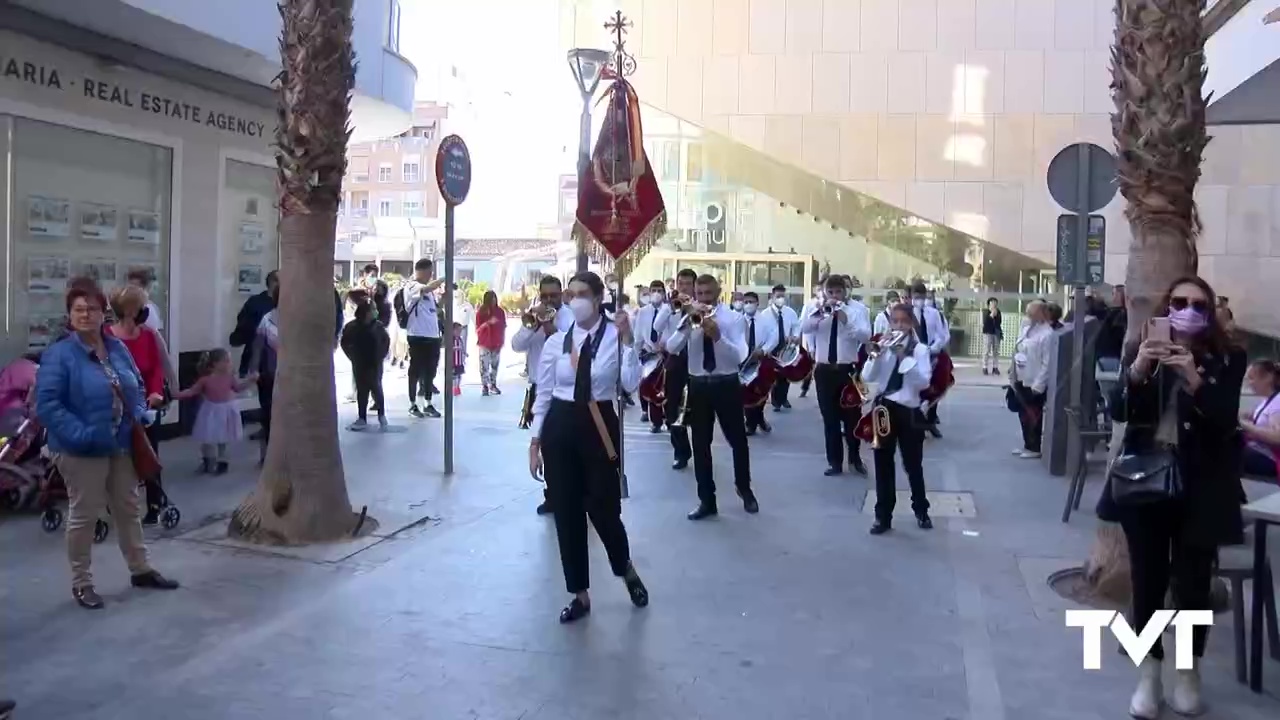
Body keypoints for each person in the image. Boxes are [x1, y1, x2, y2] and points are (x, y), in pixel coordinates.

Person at [1097, 275, 1245, 719]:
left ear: (1209, 313)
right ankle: (1149, 677)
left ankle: (1188, 674)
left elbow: (1223, 421)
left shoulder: (1228, 358)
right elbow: (1120, 412)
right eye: (1179, 302)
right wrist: (1141, 369)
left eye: (1199, 305)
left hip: (1201, 487)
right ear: (1166, 306)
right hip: (1145, 484)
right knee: (1148, 582)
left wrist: (1193, 377)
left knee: (1193, 586)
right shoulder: (1143, 348)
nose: (1188, 311)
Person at [35, 279, 178, 609]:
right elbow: (48, 406)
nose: (85, 315)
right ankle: (82, 582)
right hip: (80, 449)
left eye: (92, 309)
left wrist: (141, 413)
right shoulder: (60, 354)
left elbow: (136, 385)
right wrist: (84, 436)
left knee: (128, 508)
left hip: (121, 442)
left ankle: (140, 569)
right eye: (78, 310)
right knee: (84, 515)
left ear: (104, 313)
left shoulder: (116, 347)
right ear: (70, 315)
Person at [529, 271, 648, 623]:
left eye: (582, 293)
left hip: (599, 424)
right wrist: (536, 440)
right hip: (561, 427)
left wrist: (629, 343)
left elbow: (629, 384)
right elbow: (545, 394)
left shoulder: (615, 335)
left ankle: (623, 566)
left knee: (604, 509)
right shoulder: (557, 341)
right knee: (566, 513)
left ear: (598, 299)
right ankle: (579, 593)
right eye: (572, 294)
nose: (575, 300)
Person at [666, 274, 757, 520]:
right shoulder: (689, 316)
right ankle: (707, 500)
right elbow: (672, 348)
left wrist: (718, 336)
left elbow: (739, 355)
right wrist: (686, 325)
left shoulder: (734, 318)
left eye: (709, 293)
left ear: (718, 292)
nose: (704, 298)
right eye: (700, 294)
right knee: (700, 444)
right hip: (698, 385)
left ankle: (744, 488)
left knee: (737, 440)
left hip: (725, 383)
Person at [863, 303, 934, 535]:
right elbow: (867, 376)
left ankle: (921, 510)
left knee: (912, 464)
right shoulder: (883, 345)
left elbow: (923, 382)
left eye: (904, 321)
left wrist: (904, 358)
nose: (899, 326)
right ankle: (883, 515)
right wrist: (876, 355)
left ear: (911, 323)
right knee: (883, 463)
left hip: (909, 409)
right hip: (884, 408)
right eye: (895, 321)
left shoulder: (920, 349)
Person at [104, 285, 169, 525]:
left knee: (148, 453)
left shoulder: (148, 335)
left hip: (145, 405)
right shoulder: (106, 337)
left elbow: (155, 369)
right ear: (131, 310)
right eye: (142, 307)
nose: (146, 311)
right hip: (115, 406)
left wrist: (155, 393)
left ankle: (155, 504)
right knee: (116, 458)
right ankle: (116, 503)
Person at [512, 276, 575, 515]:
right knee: (546, 445)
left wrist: (553, 329)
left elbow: (574, 344)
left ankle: (572, 492)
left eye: (554, 296)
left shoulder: (569, 317)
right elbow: (516, 346)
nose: (549, 301)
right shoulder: (533, 317)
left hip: (566, 391)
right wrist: (534, 326)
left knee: (566, 445)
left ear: (561, 295)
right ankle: (552, 495)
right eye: (545, 296)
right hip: (541, 388)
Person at [803, 275, 872, 476]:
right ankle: (834, 462)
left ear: (845, 291)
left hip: (849, 369)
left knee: (853, 417)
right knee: (829, 418)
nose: (834, 296)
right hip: (824, 369)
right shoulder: (815, 307)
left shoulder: (858, 310)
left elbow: (865, 336)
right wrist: (819, 314)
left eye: (838, 292)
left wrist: (845, 319)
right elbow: (804, 329)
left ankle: (855, 458)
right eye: (830, 292)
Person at [171, 349, 256, 473]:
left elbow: (238, 388)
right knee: (208, 437)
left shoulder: (229, 377)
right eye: (226, 361)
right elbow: (192, 391)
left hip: (227, 410)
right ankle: (208, 460)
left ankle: (222, 461)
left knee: (224, 437)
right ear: (215, 363)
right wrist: (177, 395)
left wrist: (250, 381)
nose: (229, 364)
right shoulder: (206, 380)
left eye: (229, 361)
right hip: (211, 411)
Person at [655, 269, 697, 469]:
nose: (684, 287)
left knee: (697, 408)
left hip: (696, 361)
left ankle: (700, 449)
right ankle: (681, 451)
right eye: (681, 283)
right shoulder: (670, 306)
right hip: (675, 360)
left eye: (688, 284)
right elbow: (657, 326)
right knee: (671, 408)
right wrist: (669, 308)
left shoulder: (699, 307)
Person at [1009, 301, 1054, 459]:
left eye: (1031, 314)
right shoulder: (1027, 329)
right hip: (1021, 376)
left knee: (1033, 414)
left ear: (1040, 314)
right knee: (1023, 413)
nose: (1028, 317)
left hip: (1034, 380)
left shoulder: (1047, 334)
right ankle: (1027, 444)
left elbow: (1047, 363)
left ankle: (1034, 446)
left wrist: (1039, 384)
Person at [403, 258, 445, 418]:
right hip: (417, 335)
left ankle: (428, 403)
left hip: (432, 336)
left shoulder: (430, 293)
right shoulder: (412, 286)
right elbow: (426, 288)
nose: (430, 275)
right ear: (422, 271)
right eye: (429, 272)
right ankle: (412, 404)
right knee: (415, 371)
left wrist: (445, 297)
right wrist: (442, 279)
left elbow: (435, 309)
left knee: (430, 371)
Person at [341, 300, 390, 431]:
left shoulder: (378, 327)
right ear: (366, 312)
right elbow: (345, 343)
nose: (376, 312)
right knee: (361, 389)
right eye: (373, 309)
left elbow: (386, 343)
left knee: (376, 388)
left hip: (374, 363)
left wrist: (380, 356)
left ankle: (382, 415)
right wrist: (352, 356)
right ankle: (362, 417)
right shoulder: (352, 327)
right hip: (359, 363)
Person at [909, 283, 949, 438]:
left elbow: (942, 334)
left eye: (921, 296)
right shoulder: (908, 313)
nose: (918, 299)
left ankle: (931, 421)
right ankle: (917, 424)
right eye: (916, 296)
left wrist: (934, 347)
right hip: (914, 356)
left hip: (932, 355)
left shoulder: (934, 314)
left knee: (933, 389)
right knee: (916, 391)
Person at [741, 291, 779, 435]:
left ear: (757, 303)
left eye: (751, 302)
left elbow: (773, 337)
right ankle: (751, 423)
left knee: (761, 392)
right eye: (746, 302)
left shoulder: (765, 320)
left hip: (761, 361)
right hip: (744, 360)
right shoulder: (738, 319)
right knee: (746, 392)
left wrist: (763, 350)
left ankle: (759, 417)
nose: (748, 305)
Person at [249, 300, 280, 464]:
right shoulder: (267, 319)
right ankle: (267, 456)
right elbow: (258, 346)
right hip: (269, 375)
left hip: (290, 376)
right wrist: (254, 369)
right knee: (268, 416)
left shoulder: (298, 318)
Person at [1240, 359, 1280, 480]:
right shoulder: (1268, 401)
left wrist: (1244, 425)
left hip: (1271, 460)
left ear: (1268, 377)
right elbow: (1257, 417)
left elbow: (1277, 437)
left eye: (1252, 378)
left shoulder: (1278, 401)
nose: (1249, 384)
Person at [635, 279, 667, 426]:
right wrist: (637, 352)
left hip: (665, 354)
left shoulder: (668, 310)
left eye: (659, 291)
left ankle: (664, 417)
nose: (656, 294)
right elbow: (638, 334)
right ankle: (654, 420)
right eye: (653, 291)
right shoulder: (643, 312)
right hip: (648, 353)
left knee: (662, 388)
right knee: (647, 385)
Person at [765, 284, 800, 411]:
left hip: (786, 348)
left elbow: (796, 326)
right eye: (778, 296)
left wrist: (795, 336)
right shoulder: (765, 314)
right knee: (774, 376)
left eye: (783, 296)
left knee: (785, 375)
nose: (781, 299)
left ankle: (783, 398)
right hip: (772, 349)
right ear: (772, 297)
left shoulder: (790, 313)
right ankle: (776, 401)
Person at [475, 290, 507, 396]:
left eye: (495, 298)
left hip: (496, 342)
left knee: (495, 365)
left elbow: (503, 326)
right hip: (484, 342)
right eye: (491, 299)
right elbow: (478, 328)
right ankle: (484, 385)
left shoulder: (500, 312)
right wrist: (488, 323)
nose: (493, 301)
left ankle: (493, 384)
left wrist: (502, 341)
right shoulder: (481, 312)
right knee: (484, 365)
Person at [798, 283, 824, 398]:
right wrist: (811, 347)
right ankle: (805, 387)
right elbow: (803, 324)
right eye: (818, 289)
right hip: (811, 340)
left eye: (821, 289)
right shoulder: (809, 304)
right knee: (811, 365)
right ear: (814, 290)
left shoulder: (828, 303)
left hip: (824, 341)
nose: (820, 291)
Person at [126, 268, 165, 333]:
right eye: (129, 287)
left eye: (134, 288)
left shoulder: (149, 308)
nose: (130, 291)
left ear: (145, 288)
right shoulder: (126, 307)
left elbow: (154, 333)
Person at [981, 297, 1003, 376]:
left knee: (996, 351)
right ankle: (985, 367)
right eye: (992, 302)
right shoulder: (985, 312)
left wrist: (996, 315)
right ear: (989, 304)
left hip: (996, 333)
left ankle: (995, 367)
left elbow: (999, 322)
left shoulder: (998, 312)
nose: (994, 303)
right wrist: (991, 315)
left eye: (995, 302)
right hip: (987, 333)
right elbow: (985, 322)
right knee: (986, 350)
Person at [450, 321, 467, 396]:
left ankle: (457, 387)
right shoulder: (451, 339)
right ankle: (454, 388)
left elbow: (462, 347)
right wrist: (456, 348)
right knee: (454, 376)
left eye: (460, 331)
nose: (459, 332)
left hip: (459, 361)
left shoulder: (460, 339)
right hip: (453, 362)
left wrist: (464, 352)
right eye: (458, 330)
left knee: (459, 375)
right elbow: (449, 348)